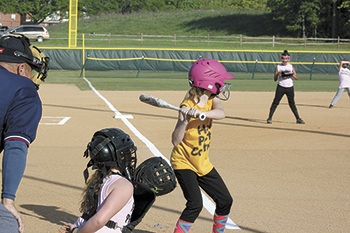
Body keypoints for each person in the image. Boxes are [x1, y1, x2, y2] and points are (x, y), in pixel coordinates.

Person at [170, 58, 234, 233]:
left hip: (202, 162)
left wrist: (201, 113)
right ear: (209, 82)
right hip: (183, 162)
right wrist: (185, 121)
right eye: (220, 81)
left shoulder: (212, 99)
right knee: (195, 205)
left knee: (225, 200)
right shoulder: (187, 105)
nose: (223, 85)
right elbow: (175, 141)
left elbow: (221, 114)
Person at [0, 34, 49, 233]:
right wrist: (8, 199)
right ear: (21, 68)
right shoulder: (24, 88)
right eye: (31, 70)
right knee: (8, 224)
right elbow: (15, 144)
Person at [59, 128, 137, 233]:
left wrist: (76, 229)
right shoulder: (123, 185)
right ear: (120, 156)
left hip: (83, 227)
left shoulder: (98, 179)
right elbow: (99, 221)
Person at [267, 50, 305, 124]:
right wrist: (278, 74)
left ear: (289, 59)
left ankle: (298, 118)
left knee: (292, 103)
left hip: (290, 87)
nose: (285, 60)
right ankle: (269, 118)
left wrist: (292, 74)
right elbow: (275, 79)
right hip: (281, 86)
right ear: (281, 59)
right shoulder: (278, 67)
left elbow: (296, 78)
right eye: (283, 58)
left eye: (286, 59)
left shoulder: (291, 66)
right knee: (275, 102)